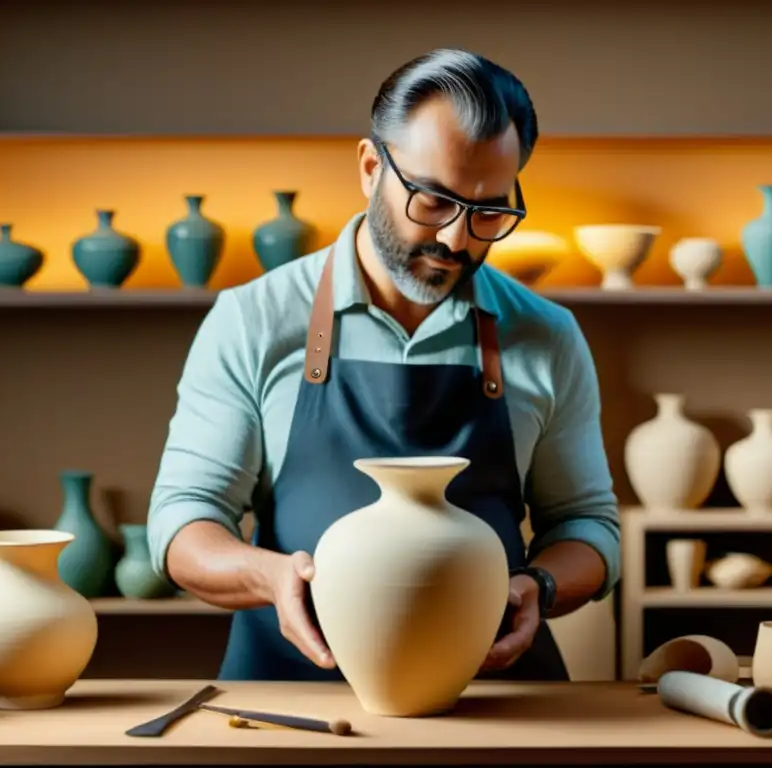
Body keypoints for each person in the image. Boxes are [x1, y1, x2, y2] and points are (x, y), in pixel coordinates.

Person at [146, 48, 620, 682]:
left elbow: (588, 524)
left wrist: (543, 585)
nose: (456, 239)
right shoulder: (252, 320)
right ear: (372, 168)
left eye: (488, 212)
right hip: (294, 702)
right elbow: (183, 520)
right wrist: (273, 575)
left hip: (495, 704)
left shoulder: (547, 334)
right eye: (433, 200)